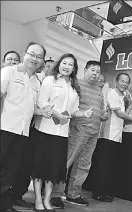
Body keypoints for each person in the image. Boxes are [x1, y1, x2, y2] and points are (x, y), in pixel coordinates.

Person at [31, 53, 94, 211]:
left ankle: (47, 199)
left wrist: (84, 114)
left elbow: (74, 111)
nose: (67, 66)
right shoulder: (49, 80)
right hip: (45, 130)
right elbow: (42, 102)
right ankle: (38, 199)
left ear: (74, 69)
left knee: (54, 168)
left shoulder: (74, 86)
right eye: (64, 63)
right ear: (59, 64)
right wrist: (57, 115)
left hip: (62, 134)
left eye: (70, 65)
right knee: (40, 166)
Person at [51, 60, 108, 208]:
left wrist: (103, 115)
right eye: (93, 70)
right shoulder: (77, 84)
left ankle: (74, 194)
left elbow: (100, 110)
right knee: (67, 162)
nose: (95, 74)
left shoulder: (98, 90)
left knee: (84, 165)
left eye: (98, 71)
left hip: (94, 131)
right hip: (79, 129)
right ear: (85, 70)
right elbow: (70, 105)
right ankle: (55, 194)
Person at [1, 42, 48, 212]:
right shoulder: (9, 72)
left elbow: (31, 107)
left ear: (42, 61)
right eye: (32, 54)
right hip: (4, 128)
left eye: (39, 56)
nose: (35, 59)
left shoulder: (36, 82)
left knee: (11, 170)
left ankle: (4, 204)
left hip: (22, 132)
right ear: (25, 54)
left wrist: (44, 112)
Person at [88, 73, 132, 202]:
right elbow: (119, 114)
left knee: (109, 166)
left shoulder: (124, 96)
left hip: (117, 136)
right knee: (103, 165)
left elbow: (124, 116)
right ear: (116, 81)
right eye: (122, 81)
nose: (124, 84)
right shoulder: (112, 93)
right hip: (107, 135)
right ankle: (98, 193)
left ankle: (104, 191)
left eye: (126, 82)